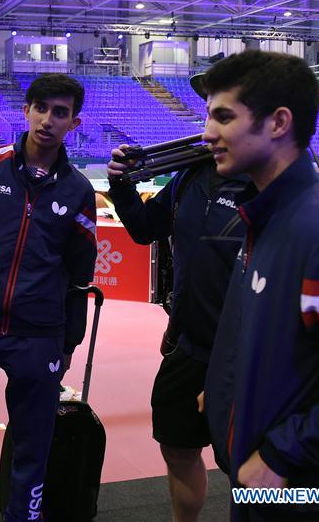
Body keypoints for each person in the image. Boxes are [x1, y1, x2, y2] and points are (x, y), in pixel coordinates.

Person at [200, 50, 319, 520]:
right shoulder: (269, 213)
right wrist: (225, 389)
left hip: (313, 493)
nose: (208, 134)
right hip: (267, 481)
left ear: (279, 122)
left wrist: (282, 454)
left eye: (224, 117)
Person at [0, 73, 98, 522]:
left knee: (33, 449)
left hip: (39, 339)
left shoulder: (79, 190)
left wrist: (68, 344)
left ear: (74, 122)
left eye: (60, 112)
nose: (48, 120)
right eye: (41, 108)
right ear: (25, 110)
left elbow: (80, 276)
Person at [107, 137, 252, 521]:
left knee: (249, 468)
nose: (211, 127)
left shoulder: (268, 184)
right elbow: (143, 229)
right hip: (187, 347)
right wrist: (122, 186)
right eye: (208, 113)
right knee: (177, 446)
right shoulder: (189, 177)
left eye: (223, 115)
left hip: (244, 357)